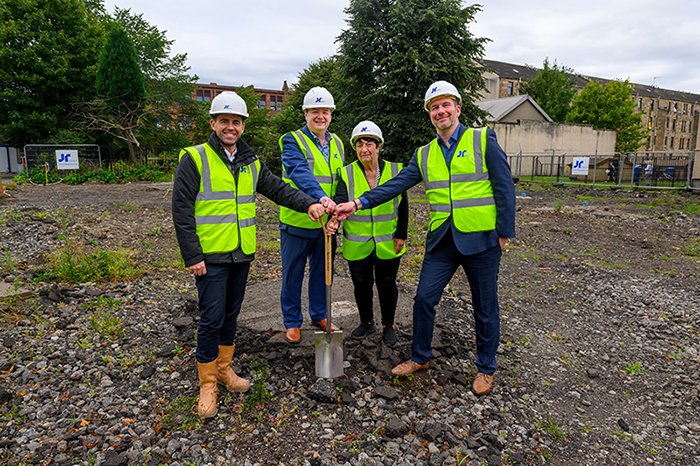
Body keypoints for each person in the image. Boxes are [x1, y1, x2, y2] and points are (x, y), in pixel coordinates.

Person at [336, 81, 516, 395]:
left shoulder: (482, 138)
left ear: (457, 109)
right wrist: (357, 202)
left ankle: (486, 368)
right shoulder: (424, 154)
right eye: (434, 107)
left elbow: (504, 188)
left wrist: (504, 233)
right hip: (443, 240)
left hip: (482, 239)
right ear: (430, 115)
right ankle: (420, 356)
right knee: (423, 299)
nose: (440, 111)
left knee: (485, 306)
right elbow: (393, 186)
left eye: (446, 105)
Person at [172, 91, 327, 418]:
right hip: (210, 256)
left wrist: (309, 204)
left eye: (237, 122)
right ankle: (207, 384)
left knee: (230, 316)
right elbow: (181, 209)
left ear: (243, 126)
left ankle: (225, 371)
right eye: (225, 121)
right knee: (211, 319)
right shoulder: (195, 158)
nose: (231, 127)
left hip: (241, 254)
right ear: (213, 123)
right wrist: (192, 255)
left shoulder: (250, 161)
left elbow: (278, 189)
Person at [327, 121, 408, 348]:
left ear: (378, 146)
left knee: (387, 282)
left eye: (369, 143)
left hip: (388, 239)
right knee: (361, 283)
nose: (364, 149)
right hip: (357, 240)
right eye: (359, 144)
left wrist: (401, 234)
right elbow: (341, 202)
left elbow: (403, 205)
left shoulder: (396, 170)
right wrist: (334, 220)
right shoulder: (345, 172)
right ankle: (367, 321)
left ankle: (388, 326)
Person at [278, 87, 345, 343]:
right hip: (298, 221)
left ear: (330, 114)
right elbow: (299, 173)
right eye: (315, 111)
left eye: (325, 111)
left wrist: (336, 211)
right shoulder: (291, 140)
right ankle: (292, 321)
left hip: (326, 223)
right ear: (305, 114)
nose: (321, 116)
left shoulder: (337, 142)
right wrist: (320, 197)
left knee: (323, 271)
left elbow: (341, 181)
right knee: (293, 273)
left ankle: (319, 314)